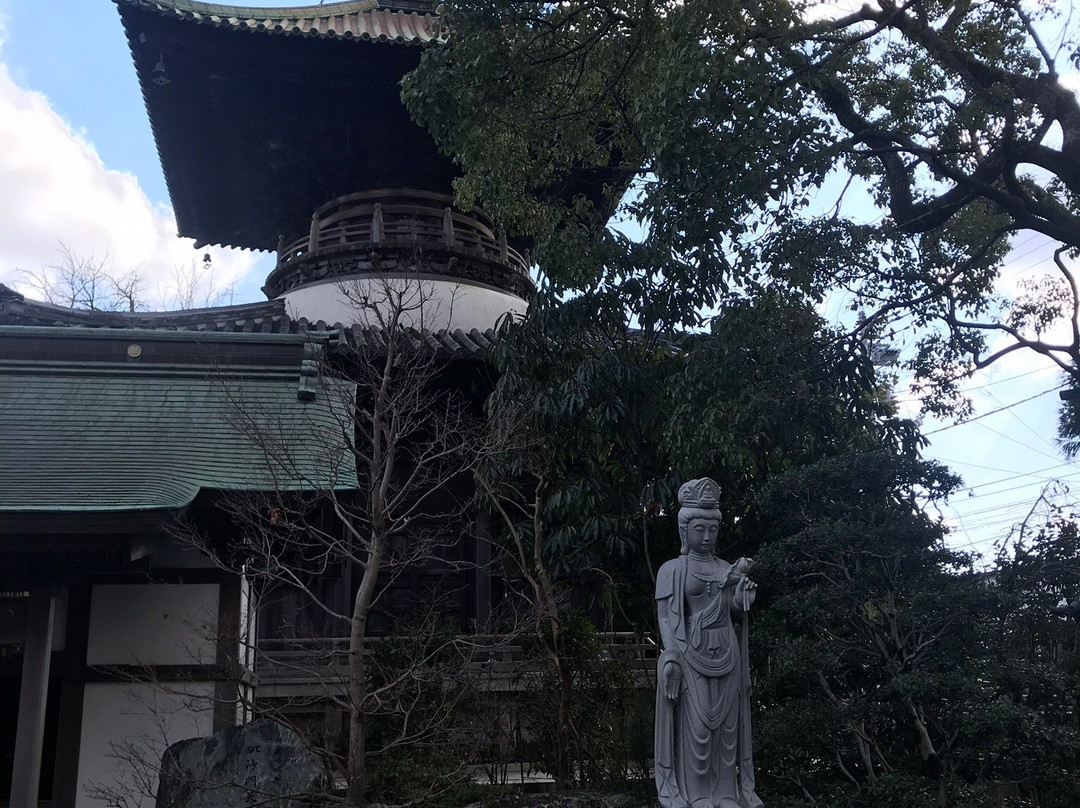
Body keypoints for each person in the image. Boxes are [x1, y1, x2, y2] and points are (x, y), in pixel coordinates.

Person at [655, 478, 762, 808]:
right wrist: (671, 657)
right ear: (684, 531)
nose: (706, 537)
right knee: (699, 729)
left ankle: (726, 793)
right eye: (699, 529)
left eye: (712, 530)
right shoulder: (672, 569)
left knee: (727, 730)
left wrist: (743, 598)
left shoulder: (725, 569)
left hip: (726, 650)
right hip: (691, 654)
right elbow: (666, 618)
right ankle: (698, 793)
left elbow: (732, 611)